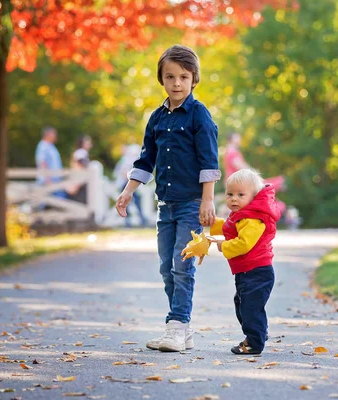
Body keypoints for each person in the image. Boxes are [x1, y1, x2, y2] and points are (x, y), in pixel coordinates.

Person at [115, 44, 220, 352]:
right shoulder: (157, 119)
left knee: (182, 264)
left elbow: (209, 161)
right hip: (166, 206)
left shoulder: (200, 116)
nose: (177, 83)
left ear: (194, 80)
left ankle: (175, 326)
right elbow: (146, 160)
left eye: (184, 77)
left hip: (192, 204)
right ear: (161, 79)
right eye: (170, 76)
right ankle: (182, 328)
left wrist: (207, 201)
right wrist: (127, 191)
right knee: (166, 267)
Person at [210, 169, 281, 355]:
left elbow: (244, 243)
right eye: (230, 194)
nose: (234, 199)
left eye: (241, 195)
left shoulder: (253, 218)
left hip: (257, 271)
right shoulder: (243, 214)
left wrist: (223, 245)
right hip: (248, 271)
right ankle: (257, 334)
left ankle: (254, 343)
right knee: (243, 305)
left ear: (254, 196)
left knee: (250, 307)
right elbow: (230, 227)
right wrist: (212, 224)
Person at [113, 143, 148, 227]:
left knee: (134, 201)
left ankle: (140, 218)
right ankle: (130, 220)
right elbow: (119, 172)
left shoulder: (128, 159)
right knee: (127, 203)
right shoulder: (123, 160)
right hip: (124, 183)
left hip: (128, 183)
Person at [35, 126, 66, 199]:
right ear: (48, 134)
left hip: (55, 181)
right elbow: (42, 162)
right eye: (54, 133)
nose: (55, 136)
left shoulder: (51, 146)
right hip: (47, 182)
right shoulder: (43, 145)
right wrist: (48, 180)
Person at [67, 134, 92, 203]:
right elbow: (80, 166)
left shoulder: (79, 152)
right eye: (87, 142)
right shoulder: (81, 152)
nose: (89, 144)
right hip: (79, 181)